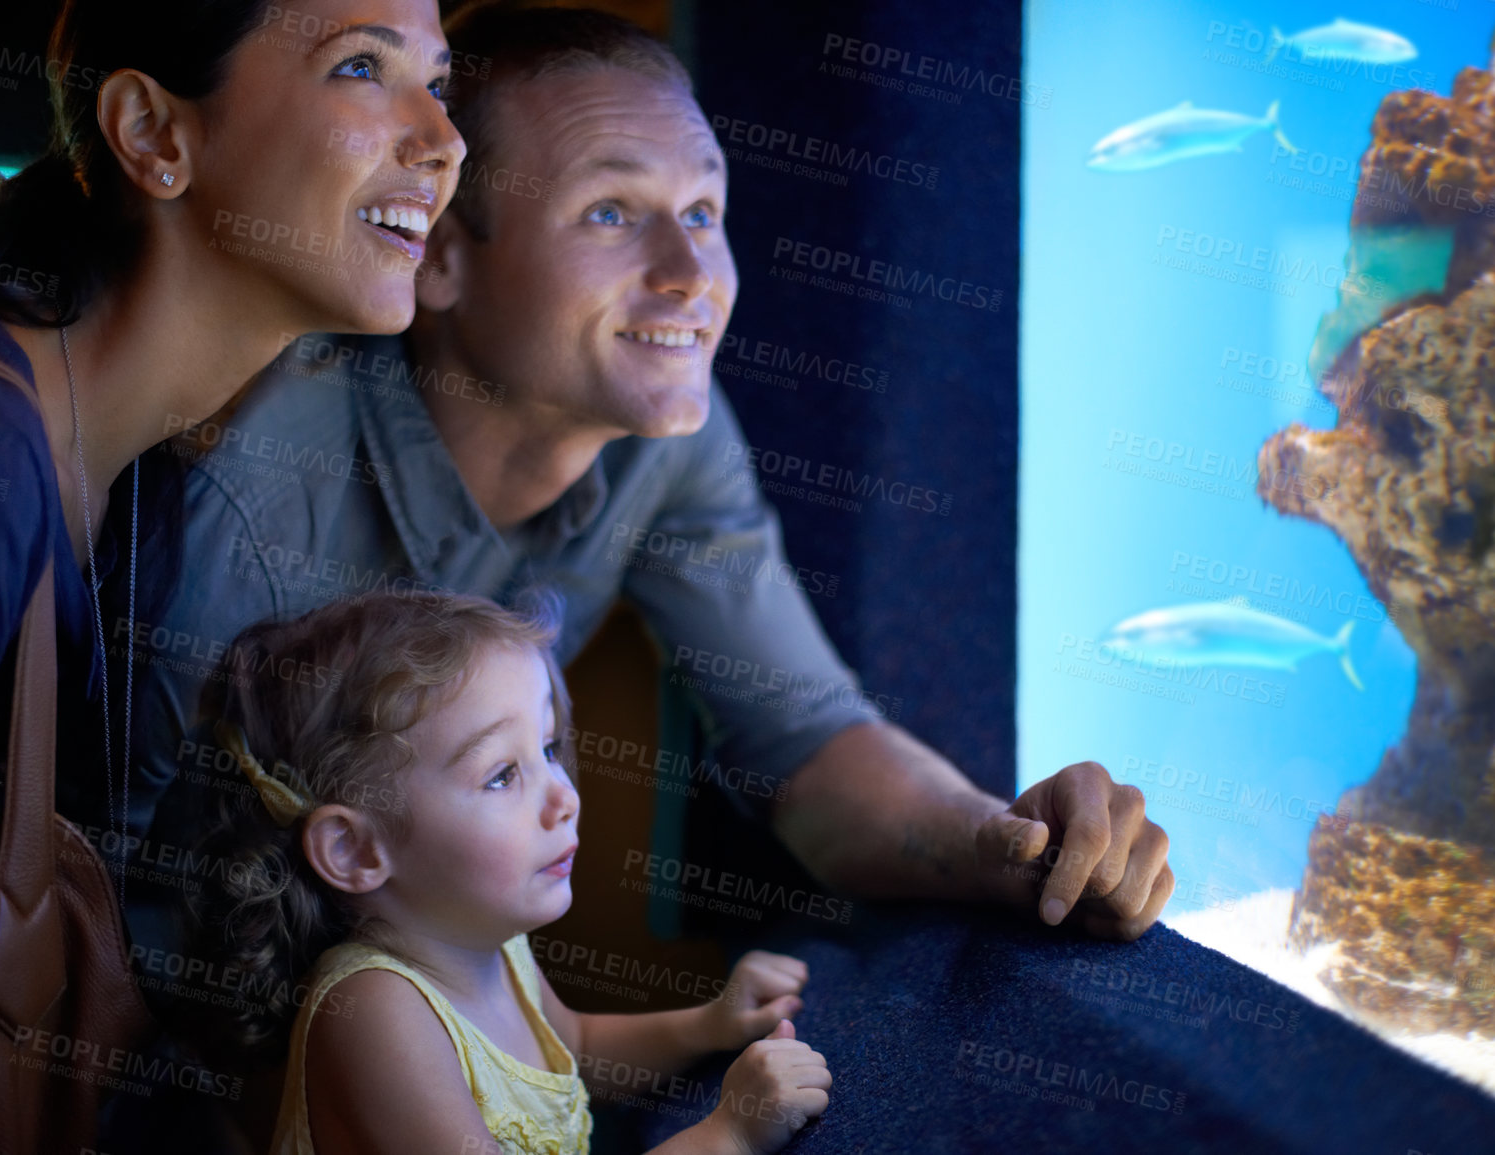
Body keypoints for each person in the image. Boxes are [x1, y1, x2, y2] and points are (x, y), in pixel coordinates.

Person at [141, 3, 1171, 956]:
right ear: (441, 254)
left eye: (706, 211)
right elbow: (128, 876)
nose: (691, 274)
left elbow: (808, 746)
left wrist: (1005, 843)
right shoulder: (261, 497)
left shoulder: (662, 427)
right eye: (609, 213)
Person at [0, 0, 463, 1144]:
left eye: (439, 80)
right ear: (152, 134)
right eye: (361, 67)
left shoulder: (155, 471)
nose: (444, 139)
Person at [188, 590, 831, 1155]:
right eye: (502, 774)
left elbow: (573, 1046)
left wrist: (707, 1024)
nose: (565, 798)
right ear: (355, 851)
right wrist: (729, 1136)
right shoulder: (375, 1014)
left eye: (548, 749)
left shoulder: (485, 942)